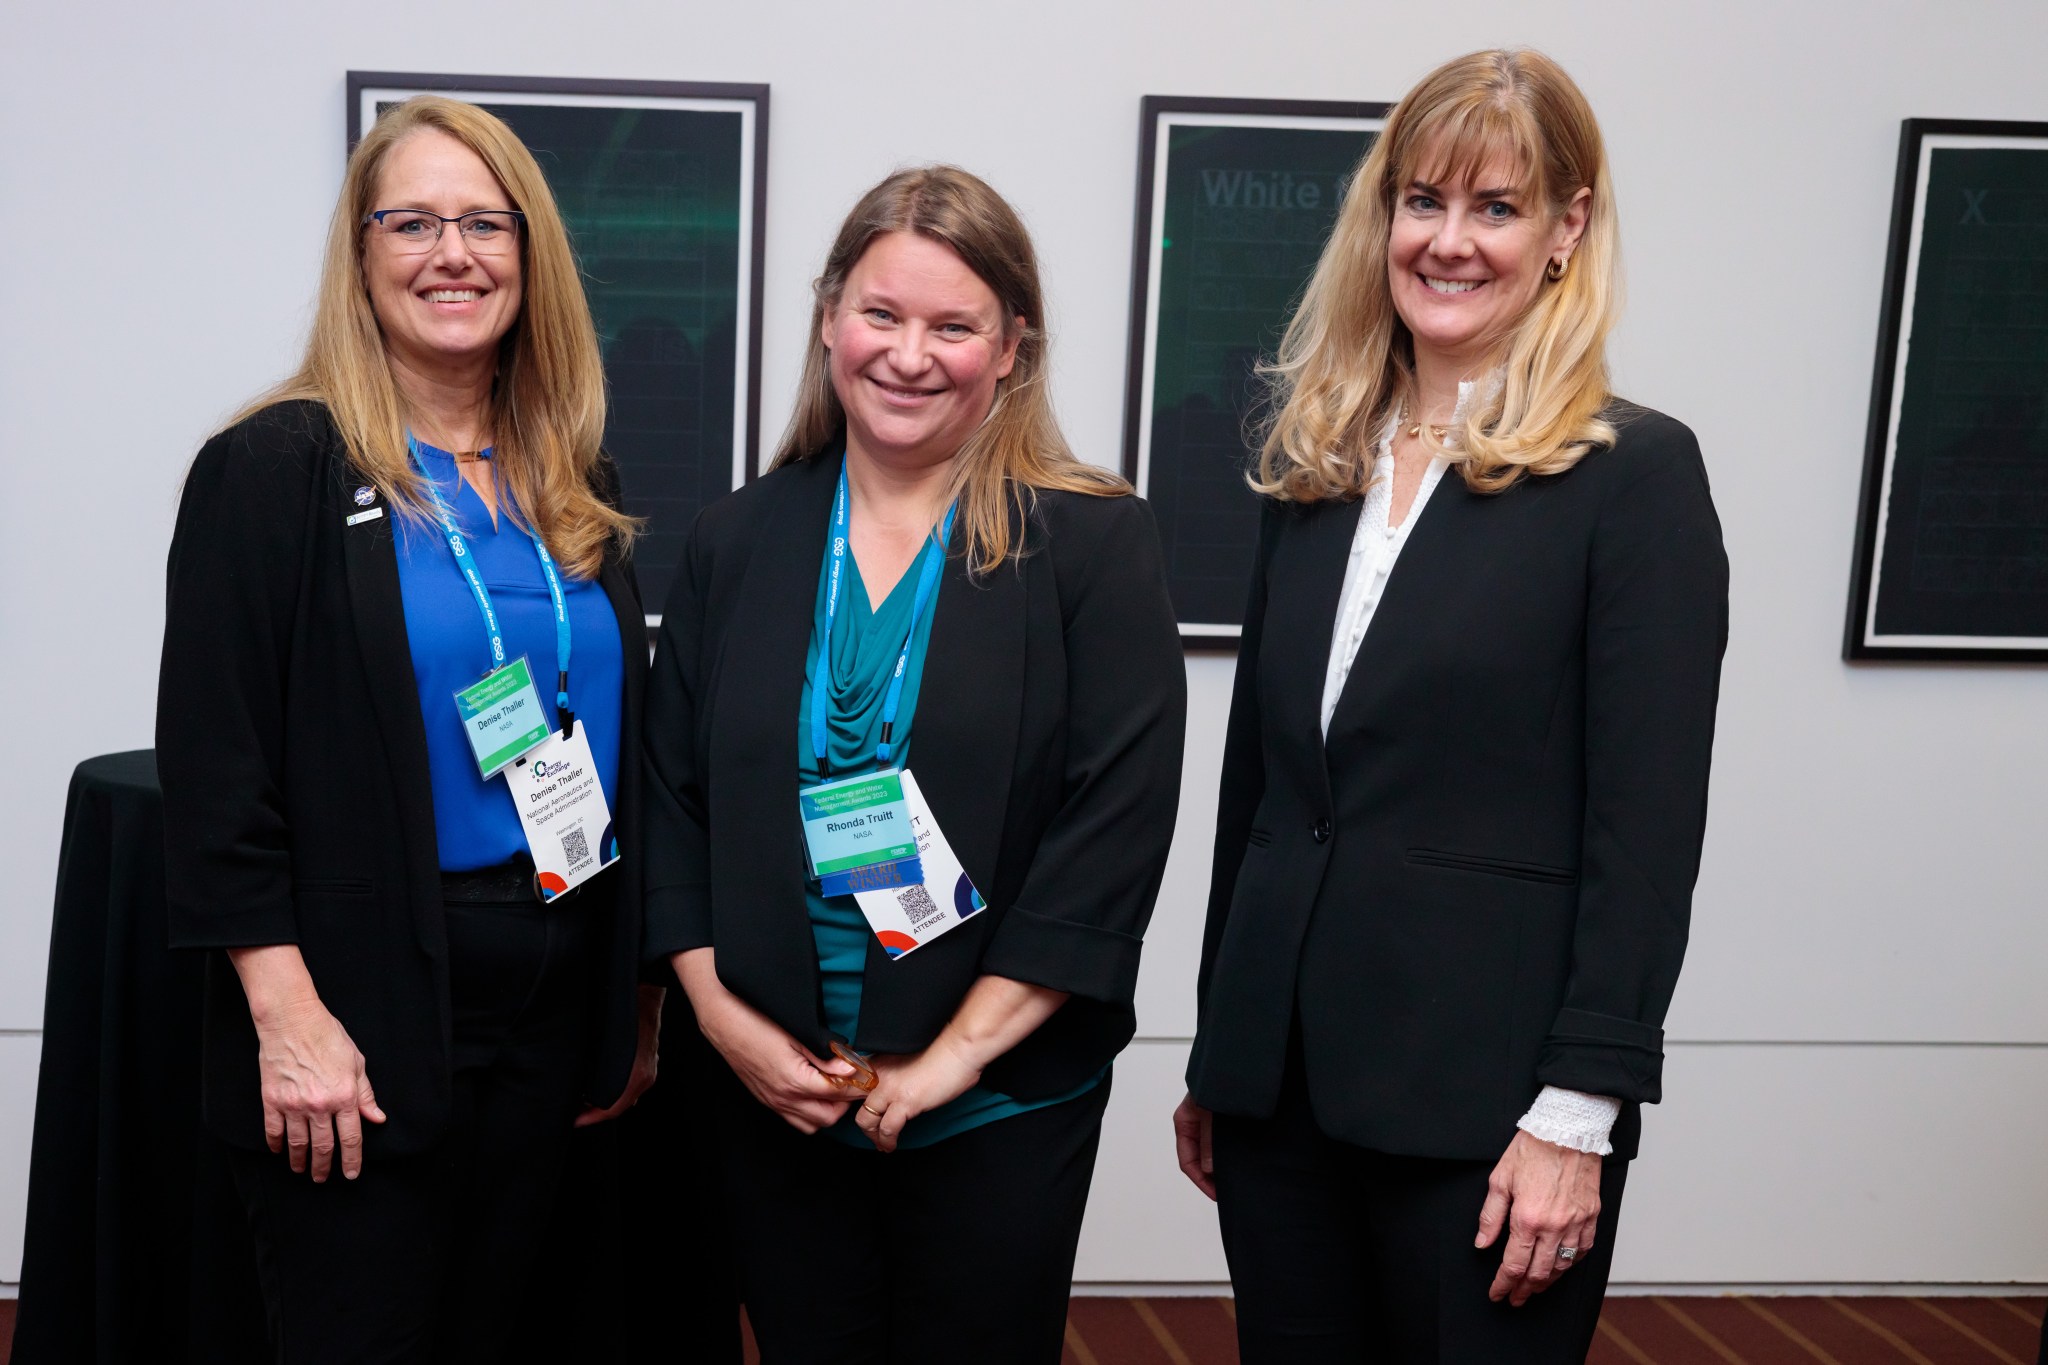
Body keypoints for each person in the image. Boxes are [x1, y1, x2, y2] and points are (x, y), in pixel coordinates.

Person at [1172, 49, 1729, 1363]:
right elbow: (1264, 795)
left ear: (1565, 231)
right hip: (1282, 1090)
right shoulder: (1316, 458)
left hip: (1492, 1109)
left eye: (1497, 207)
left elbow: (1645, 830)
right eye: (1423, 200)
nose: (1450, 241)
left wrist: (1580, 1109)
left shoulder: (1633, 475)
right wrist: (1221, 1049)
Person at [644, 165, 1185, 1365]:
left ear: (1011, 350)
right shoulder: (739, 536)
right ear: (831, 317)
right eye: (881, 315)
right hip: (773, 1090)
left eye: (954, 326)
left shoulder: (1091, 541)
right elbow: (669, 801)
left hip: (994, 1101)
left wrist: (951, 1059)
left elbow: (1112, 833)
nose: (908, 354)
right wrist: (727, 1025)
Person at [156, 95, 659, 1364]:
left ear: (530, 255)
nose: (454, 252)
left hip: (548, 1001)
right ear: (362, 254)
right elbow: (217, 772)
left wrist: (628, 1002)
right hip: (359, 1013)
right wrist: (287, 1016)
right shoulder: (275, 470)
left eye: (486, 223)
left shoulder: (570, 475)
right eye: (414, 222)